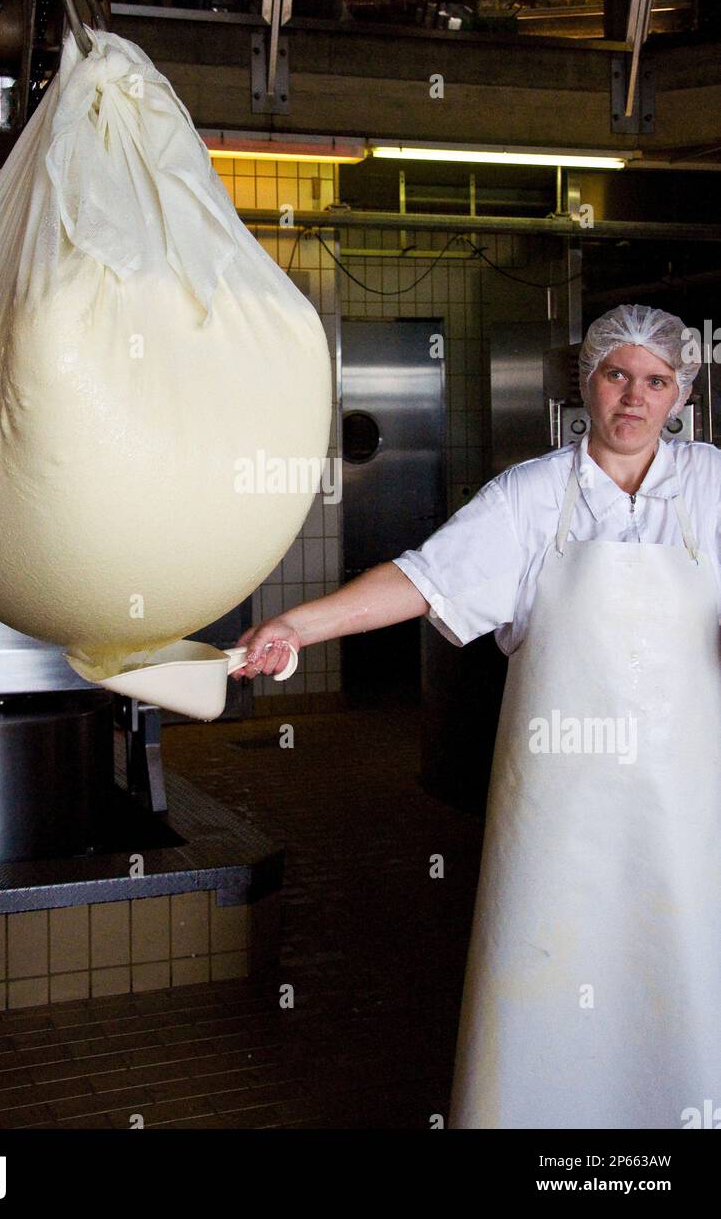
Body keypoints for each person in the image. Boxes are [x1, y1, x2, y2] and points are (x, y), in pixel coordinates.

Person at [231, 303, 721, 1129]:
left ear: (679, 394)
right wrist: (298, 625)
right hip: (562, 818)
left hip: (687, 812)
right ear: (587, 383)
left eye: (655, 381)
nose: (633, 399)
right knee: (546, 987)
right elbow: (425, 579)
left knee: (681, 978)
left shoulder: (711, 485)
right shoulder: (533, 496)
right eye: (616, 376)